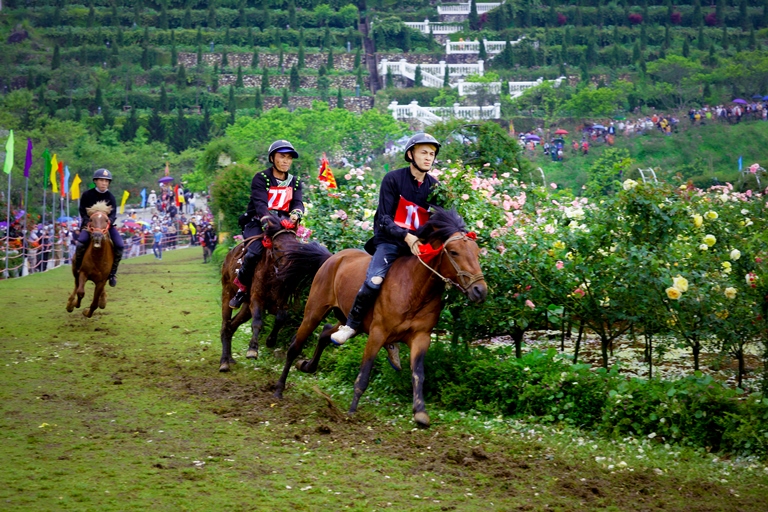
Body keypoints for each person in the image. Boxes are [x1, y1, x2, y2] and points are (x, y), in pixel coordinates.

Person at [330, 132, 441, 348]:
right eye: (424, 153)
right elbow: (384, 219)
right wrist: (406, 236)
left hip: (417, 246)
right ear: (410, 154)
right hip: (391, 241)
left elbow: (445, 217)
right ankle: (350, 325)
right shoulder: (392, 179)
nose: (429, 158)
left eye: (432, 154)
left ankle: (401, 333)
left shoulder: (435, 187)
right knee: (374, 281)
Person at [228, 139, 305, 309]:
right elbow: (261, 204)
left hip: (283, 225)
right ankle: (241, 289)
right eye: (282, 157)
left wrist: (296, 214)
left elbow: (298, 202)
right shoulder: (261, 178)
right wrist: (266, 219)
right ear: (272, 158)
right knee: (254, 252)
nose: (286, 161)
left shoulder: (296, 181)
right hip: (257, 221)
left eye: (289, 158)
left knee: (300, 253)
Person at [73, 168, 124, 287]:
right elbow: (82, 211)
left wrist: (108, 223)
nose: (104, 183)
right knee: (81, 243)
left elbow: (113, 214)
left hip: (106, 226)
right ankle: (79, 267)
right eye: (101, 180)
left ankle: (112, 273)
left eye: (106, 181)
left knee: (120, 245)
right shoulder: (87, 195)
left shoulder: (111, 197)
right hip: (90, 226)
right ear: (95, 181)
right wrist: (88, 222)